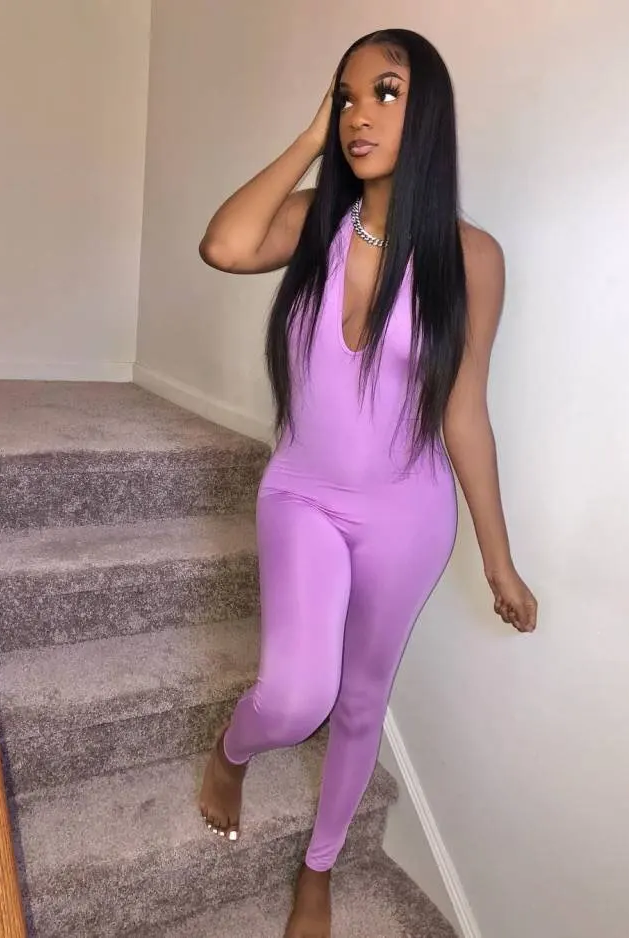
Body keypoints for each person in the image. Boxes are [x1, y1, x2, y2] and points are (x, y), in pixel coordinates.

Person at [197, 28, 537, 938]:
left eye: (385, 92)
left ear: (430, 115)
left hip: (408, 515)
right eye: (346, 96)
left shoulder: (472, 257)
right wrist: (312, 138)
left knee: (360, 701)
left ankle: (319, 867)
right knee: (294, 697)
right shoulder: (318, 222)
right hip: (303, 496)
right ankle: (232, 748)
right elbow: (223, 245)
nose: (359, 114)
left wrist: (498, 560)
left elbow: (465, 412)